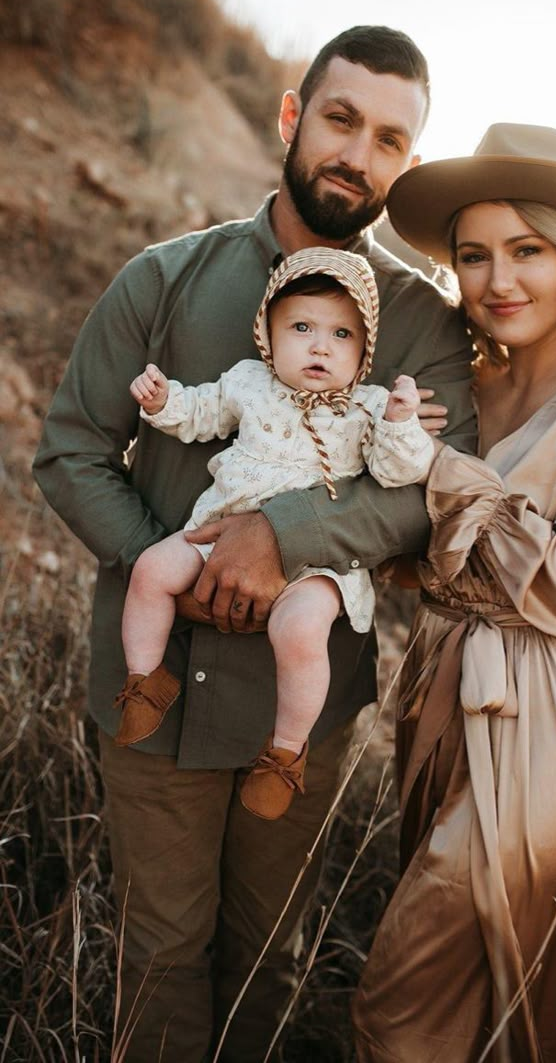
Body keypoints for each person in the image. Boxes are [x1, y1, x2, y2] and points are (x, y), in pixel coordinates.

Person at [32, 26, 476, 1063]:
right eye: (339, 119)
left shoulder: (420, 326)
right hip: (156, 688)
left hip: (306, 713)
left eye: (388, 139)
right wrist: (179, 567)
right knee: (162, 949)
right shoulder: (166, 278)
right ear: (292, 116)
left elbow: (430, 499)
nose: (356, 155)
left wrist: (285, 537)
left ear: (405, 161)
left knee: (269, 954)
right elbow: (70, 451)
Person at [352, 123, 556, 1062]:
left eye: (527, 251)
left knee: (400, 1003)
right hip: (439, 692)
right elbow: (416, 561)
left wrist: (444, 471)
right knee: (478, 1000)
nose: (498, 279)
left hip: (546, 707)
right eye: (473, 255)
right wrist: (394, 458)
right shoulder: (464, 387)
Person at [117, 246, 436, 821]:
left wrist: (400, 422)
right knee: (153, 571)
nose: (320, 345)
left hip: (321, 560)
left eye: (341, 334)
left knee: (300, 629)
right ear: (267, 332)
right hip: (221, 525)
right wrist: (165, 402)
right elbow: (202, 413)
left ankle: (285, 751)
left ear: (363, 351)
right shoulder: (250, 383)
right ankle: (144, 680)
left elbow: (399, 472)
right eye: (302, 327)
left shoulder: (366, 407)